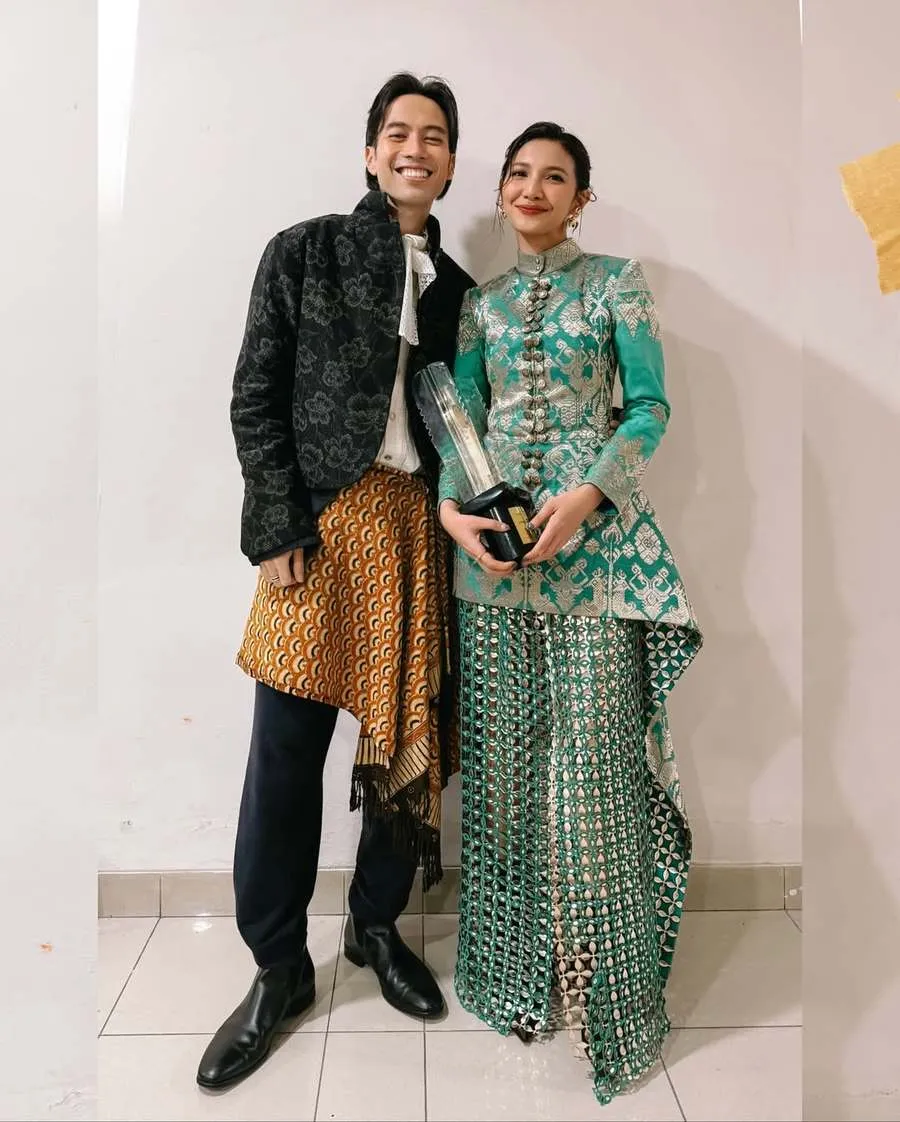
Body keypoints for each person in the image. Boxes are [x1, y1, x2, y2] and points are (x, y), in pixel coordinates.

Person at [196, 72, 478, 1090]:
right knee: (285, 754)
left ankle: (374, 928)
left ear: (450, 163)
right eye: (398, 132)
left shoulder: (461, 293)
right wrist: (275, 523)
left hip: (416, 531)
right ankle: (279, 965)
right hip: (318, 528)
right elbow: (255, 391)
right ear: (370, 152)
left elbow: (469, 429)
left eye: (434, 136)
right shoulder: (305, 251)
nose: (415, 148)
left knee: (402, 753)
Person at [438, 121, 703, 1105]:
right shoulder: (481, 306)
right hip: (494, 569)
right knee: (505, 779)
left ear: (581, 199)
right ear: (501, 190)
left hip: (597, 563)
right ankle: (517, 978)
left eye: (555, 177)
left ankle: (613, 996)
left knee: (592, 776)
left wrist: (587, 495)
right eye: (519, 173)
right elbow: (459, 423)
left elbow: (648, 409)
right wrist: (451, 513)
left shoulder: (616, 285)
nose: (533, 188)